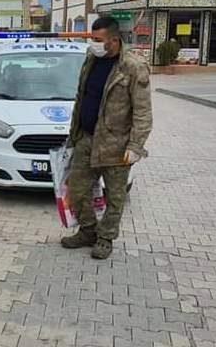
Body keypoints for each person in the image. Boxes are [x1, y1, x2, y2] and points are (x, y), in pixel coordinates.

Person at [62, 17, 152, 259]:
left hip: (117, 146)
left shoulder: (133, 66)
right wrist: (75, 134)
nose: (93, 44)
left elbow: (143, 112)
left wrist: (136, 146)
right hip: (87, 139)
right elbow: (82, 97)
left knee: (115, 197)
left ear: (113, 40)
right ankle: (88, 230)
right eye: (92, 39)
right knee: (77, 189)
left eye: (97, 40)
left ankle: (105, 237)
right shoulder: (91, 60)